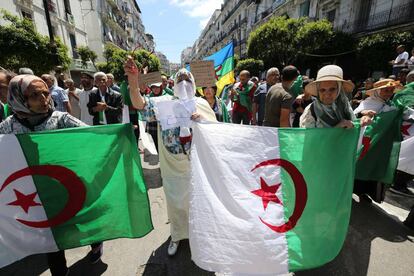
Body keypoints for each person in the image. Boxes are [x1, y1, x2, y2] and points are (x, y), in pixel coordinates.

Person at [0, 75, 99, 276]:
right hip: (32, 192)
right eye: (35, 95)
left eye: (45, 93)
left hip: (64, 186)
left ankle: (96, 242)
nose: (44, 99)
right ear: (19, 98)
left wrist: (117, 133)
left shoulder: (60, 119)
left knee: (80, 220)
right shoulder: (7, 127)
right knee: (50, 238)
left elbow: (91, 137)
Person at [124, 56, 217, 256]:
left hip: (196, 165)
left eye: (187, 80)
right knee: (175, 203)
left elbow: (216, 131)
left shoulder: (201, 104)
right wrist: (133, 82)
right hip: (172, 166)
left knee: (197, 202)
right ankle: (176, 235)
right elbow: (140, 104)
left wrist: (202, 121)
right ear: (174, 84)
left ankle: (198, 236)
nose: (184, 84)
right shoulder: (163, 102)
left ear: (193, 84)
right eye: (180, 80)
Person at [299, 65, 372, 128]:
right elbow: (308, 139)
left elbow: (353, 124)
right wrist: (336, 129)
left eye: (332, 89)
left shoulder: (344, 105)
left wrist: (363, 120)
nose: (327, 94)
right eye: (322, 90)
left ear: (339, 90)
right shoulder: (311, 111)